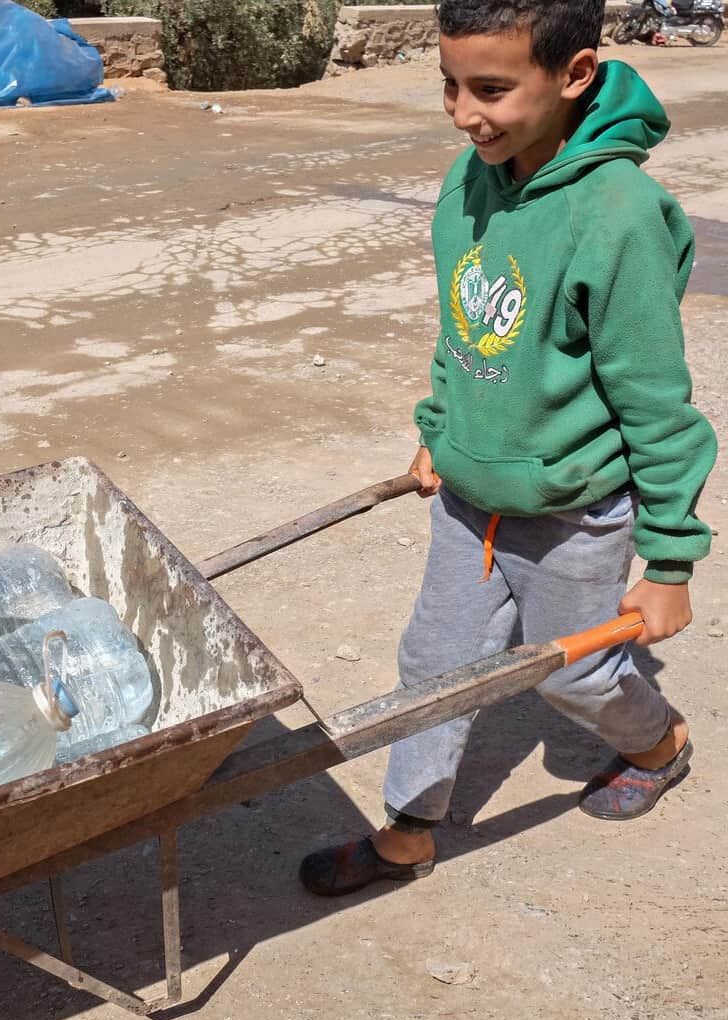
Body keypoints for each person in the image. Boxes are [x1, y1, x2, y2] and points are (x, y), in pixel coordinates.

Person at [299, 0, 717, 898]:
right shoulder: (468, 179)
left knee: (574, 678)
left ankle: (660, 742)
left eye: (490, 89)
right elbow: (463, 328)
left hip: (574, 510)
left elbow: (656, 402)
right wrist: (438, 432)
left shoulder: (619, 215)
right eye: (449, 85)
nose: (462, 112)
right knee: (432, 663)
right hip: (470, 497)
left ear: (574, 76)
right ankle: (408, 831)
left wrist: (672, 558)